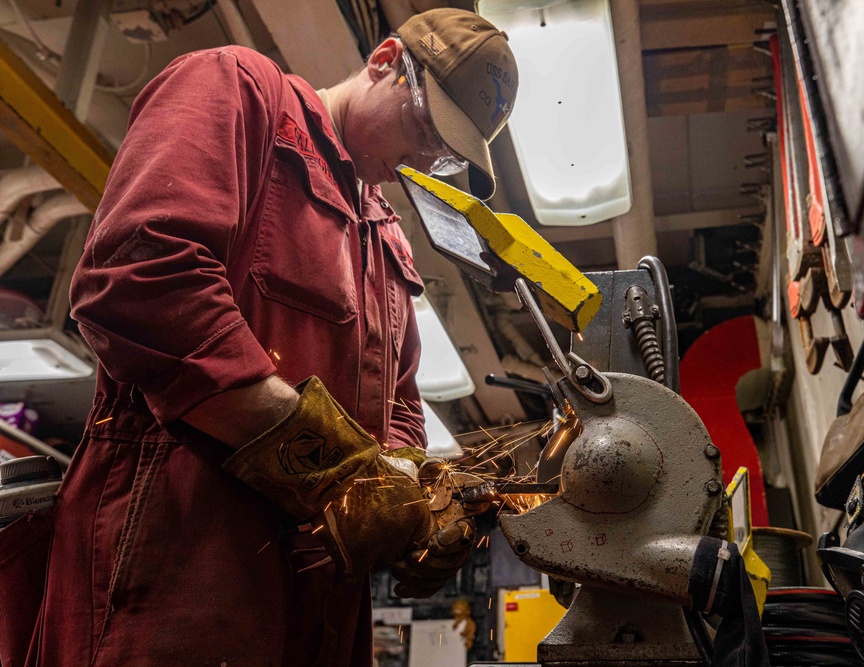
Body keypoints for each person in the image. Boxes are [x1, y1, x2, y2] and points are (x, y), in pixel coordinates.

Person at [26, 8, 518, 666]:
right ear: (384, 63)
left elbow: (398, 406)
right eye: (426, 127)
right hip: (180, 580)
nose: (427, 158)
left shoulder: (388, 236)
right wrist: (332, 470)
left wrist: (413, 503)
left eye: (449, 154)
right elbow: (143, 278)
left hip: (319, 615)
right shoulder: (242, 92)